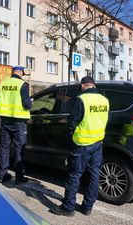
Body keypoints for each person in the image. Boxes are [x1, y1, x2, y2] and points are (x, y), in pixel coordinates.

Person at [51, 76, 109, 217]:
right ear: (93, 85)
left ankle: (68, 207)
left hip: (81, 144)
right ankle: (87, 207)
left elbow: (72, 121)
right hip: (97, 143)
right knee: (94, 175)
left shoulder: (81, 99)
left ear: (83, 86)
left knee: (74, 175)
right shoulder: (104, 100)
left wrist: (72, 135)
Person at [0, 66, 32, 185]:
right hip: (19, 122)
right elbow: (26, 105)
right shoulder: (23, 84)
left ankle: (2, 175)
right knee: (19, 149)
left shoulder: (3, 84)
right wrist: (30, 102)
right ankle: (19, 177)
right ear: (21, 72)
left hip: (5, 120)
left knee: (5, 148)